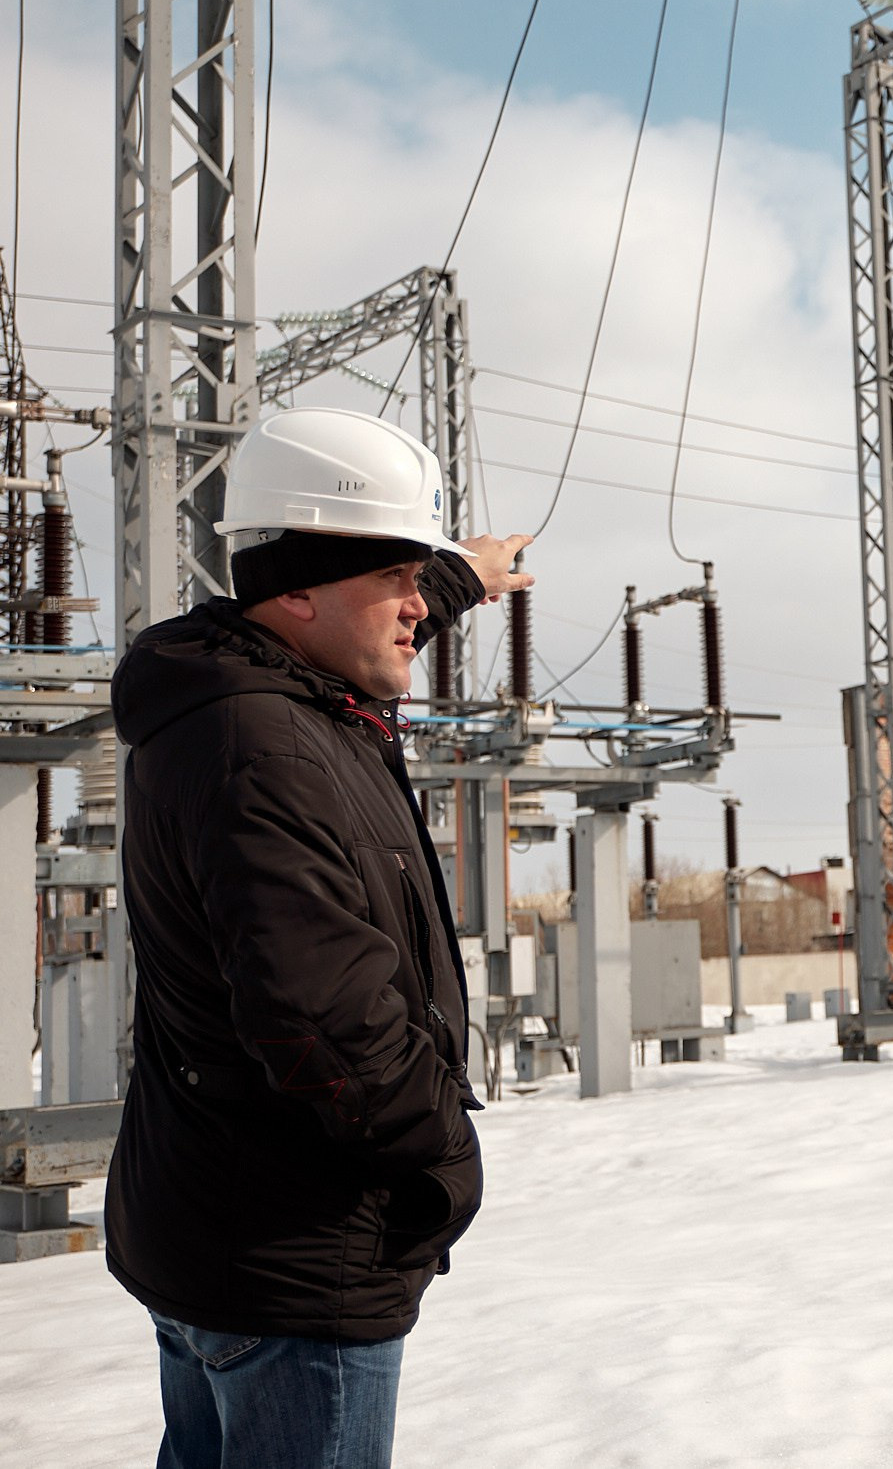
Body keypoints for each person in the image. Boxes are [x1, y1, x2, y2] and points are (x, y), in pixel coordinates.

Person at [106, 407, 533, 1469]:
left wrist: (462, 574)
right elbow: (323, 1022)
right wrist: (444, 1157)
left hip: (219, 1229)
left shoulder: (246, 685)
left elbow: (374, 601)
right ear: (296, 589)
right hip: (296, 1259)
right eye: (397, 579)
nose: (411, 609)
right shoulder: (268, 749)